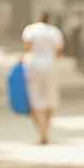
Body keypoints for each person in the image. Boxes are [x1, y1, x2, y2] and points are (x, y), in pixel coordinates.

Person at [22, 12, 65, 144]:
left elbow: (27, 48)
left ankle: (41, 132)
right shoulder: (54, 31)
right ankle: (45, 131)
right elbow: (59, 50)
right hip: (50, 66)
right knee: (50, 99)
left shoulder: (30, 30)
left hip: (33, 66)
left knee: (34, 98)